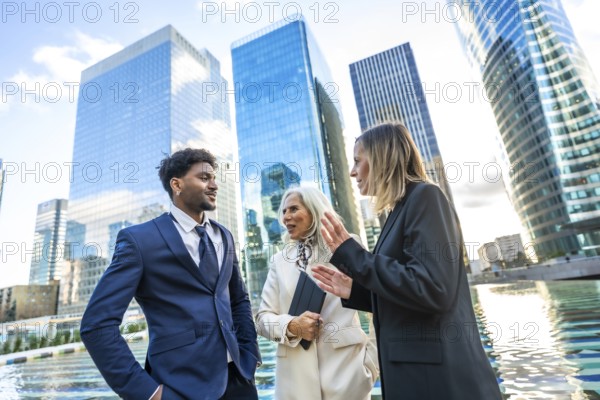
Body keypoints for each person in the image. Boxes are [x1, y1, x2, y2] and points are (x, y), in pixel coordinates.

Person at [312, 123, 502, 400]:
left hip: (440, 381)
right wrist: (356, 291)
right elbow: (408, 292)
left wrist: (354, 255)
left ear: (381, 157)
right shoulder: (398, 212)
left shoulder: (425, 197)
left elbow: (434, 289)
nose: (352, 171)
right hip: (415, 376)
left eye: (357, 161)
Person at [80, 148, 260, 400]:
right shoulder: (139, 240)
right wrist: (149, 392)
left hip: (240, 382)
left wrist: (250, 355)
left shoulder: (225, 236)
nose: (214, 185)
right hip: (179, 387)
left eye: (214, 178)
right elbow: (96, 325)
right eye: (204, 178)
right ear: (177, 184)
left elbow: (238, 300)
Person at [255, 186, 379, 400]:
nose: (286, 217)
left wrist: (371, 366)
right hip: (294, 382)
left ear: (314, 210)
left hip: (347, 377)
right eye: (283, 211)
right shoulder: (279, 260)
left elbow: (376, 304)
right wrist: (292, 326)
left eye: (293, 209)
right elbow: (262, 319)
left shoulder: (348, 245)